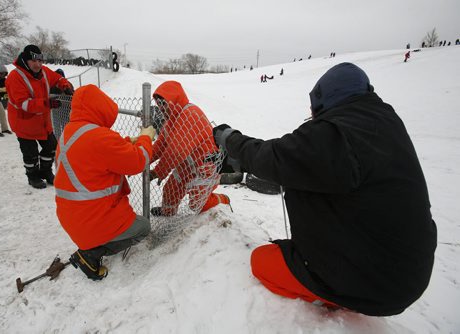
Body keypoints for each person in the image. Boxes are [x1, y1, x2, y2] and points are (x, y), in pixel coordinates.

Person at [213, 62, 437, 316]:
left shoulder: (335, 134)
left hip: (379, 284)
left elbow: (274, 158)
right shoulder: (385, 122)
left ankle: (333, 295)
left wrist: (230, 139)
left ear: (325, 99)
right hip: (407, 271)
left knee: (262, 262)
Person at [54, 84, 156, 281]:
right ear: (101, 107)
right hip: (93, 220)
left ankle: (91, 244)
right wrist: (145, 138)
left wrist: (128, 141)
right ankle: (90, 254)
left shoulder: (70, 132)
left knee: (127, 221)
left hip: (73, 217)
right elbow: (138, 161)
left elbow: (102, 153)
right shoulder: (100, 137)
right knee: (143, 227)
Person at [149, 80, 230, 217]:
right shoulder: (171, 121)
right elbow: (160, 147)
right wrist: (143, 160)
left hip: (206, 166)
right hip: (188, 164)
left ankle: (223, 199)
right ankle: (168, 211)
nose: (161, 107)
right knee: (171, 189)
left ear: (174, 99)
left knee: (197, 204)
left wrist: (158, 171)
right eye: (159, 104)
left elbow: (177, 151)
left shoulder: (191, 114)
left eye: (164, 103)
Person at [6, 45, 74, 189]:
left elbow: (57, 78)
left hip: (43, 123)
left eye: (40, 61)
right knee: (30, 154)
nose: (38, 64)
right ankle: (33, 176)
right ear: (25, 61)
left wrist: (65, 85)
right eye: (33, 61)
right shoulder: (15, 77)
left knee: (51, 147)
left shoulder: (43, 72)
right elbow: (24, 104)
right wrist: (47, 103)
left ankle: (45, 171)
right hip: (24, 123)